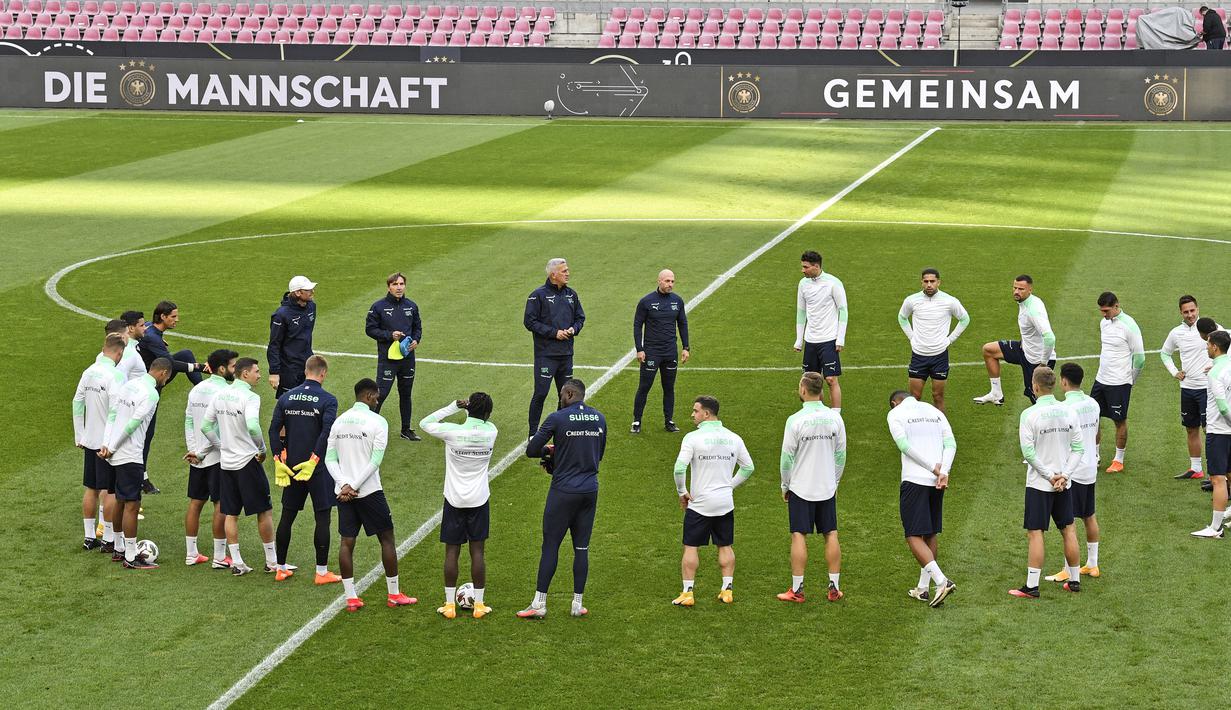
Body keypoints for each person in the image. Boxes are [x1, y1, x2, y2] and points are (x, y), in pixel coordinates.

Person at [327, 378, 416, 611]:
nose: (378, 401)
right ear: (368, 396)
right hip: (369, 491)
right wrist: (354, 485)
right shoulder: (378, 422)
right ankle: (394, 594)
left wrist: (343, 484)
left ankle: (351, 598)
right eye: (377, 397)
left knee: (347, 542)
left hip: (343, 493)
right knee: (387, 539)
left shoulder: (339, 421)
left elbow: (330, 459)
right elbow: (375, 461)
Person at [520, 379, 606, 619]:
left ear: (569, 393)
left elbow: (531, 450)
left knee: (550, 545)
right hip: (590, 490)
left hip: (563, 491)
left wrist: (550, 452)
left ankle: (539, 603)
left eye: (561, 394)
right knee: (582, 547)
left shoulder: (557, 418)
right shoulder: (599, 418)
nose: (559, 398)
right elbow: (598, 454)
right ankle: (577, 604)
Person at [419, 393, 498, 620]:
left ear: (468, 408)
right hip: (479, 499)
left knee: (452, 551)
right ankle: (479, 606)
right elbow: (483, 420)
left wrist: (453, 406)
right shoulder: (491, 432)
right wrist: (471, 411)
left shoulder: (453, 432)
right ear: (487, 414)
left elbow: (425, 423)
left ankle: (449, 605)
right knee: (477, 552)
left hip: (453, 499)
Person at [670, 396, 753, 607]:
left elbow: (680, 469)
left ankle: (688, 593)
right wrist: (729, 486)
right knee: (725, 545)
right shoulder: (734, 437)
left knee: (691, 547)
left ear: (706, 414)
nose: (692, 414)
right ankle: (727, 589)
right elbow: (748, 467)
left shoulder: (692, 438)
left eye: (695, 410)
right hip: (725, 503)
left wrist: (682, 491)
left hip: (700, 504)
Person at [1011, 366, 1084, 598]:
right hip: (1064, 483)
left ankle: (1032, 586)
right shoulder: (1069, 411)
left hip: (1040, 484)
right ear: (1053, 385)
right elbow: (1078, 448)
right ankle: (1074, 580)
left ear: (1035, 386)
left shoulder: (1029, 415)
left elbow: (1029, 453)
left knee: (1036, 533)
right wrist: (1065, 475)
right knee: (1069, 529)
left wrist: (1049, 476)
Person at [201, 357, 276, 576]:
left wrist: (221, 446)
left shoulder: (219, 395)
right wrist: (262, 450)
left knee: (230, 513)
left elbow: (206, 426)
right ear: (245, 374)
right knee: (264, 510)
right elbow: (253, 426)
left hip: (226, 464)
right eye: (257, 371)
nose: (260, 375)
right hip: (247, 462)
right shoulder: (251, 397)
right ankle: (271, 561)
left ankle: (236, 562)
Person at [777, 372, 847, 604]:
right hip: (826, 486)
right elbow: (841, 454)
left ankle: (797, 590)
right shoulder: (835, 418)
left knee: (798, 535)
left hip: (801, 487)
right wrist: (834, 481)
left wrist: (785, 484)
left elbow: (787, 458)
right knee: (831, 534)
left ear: (804, 390)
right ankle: (834, 587)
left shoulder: (795, 420)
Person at [269, 355, 340, 583]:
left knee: (287, 517)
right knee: (323, 518)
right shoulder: (328, 399)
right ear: (323, 374)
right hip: (316, 468)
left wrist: (278, 459)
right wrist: (314, 459)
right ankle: (321, 572)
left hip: (291, 467)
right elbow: (326, 432)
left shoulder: (287, 397)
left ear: (306, 370)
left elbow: (273, 430)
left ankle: (280, 567)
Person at [99, 357, 172, 569]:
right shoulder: (151, 394)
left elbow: (112, 415)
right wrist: (112, 447)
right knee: (132, 505)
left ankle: (119, 548)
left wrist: (107, 444)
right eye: (167, 377)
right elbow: (132, 425)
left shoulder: (129, 385)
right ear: (162, 374)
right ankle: (131, 557)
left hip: (113, 454)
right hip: (129, 455)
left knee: (119, 502)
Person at [887, 390, 957, 608]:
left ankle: (941, 581)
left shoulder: (896, 414)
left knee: (913, 535)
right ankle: (923, 588)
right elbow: (951, 444)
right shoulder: (934, 411)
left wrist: (932, 468)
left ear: (894, 403)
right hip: (937, 482)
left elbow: (904, 446)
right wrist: (943, 471)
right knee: (930, 532)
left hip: (914, 480)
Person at [138, 301, 208, 492]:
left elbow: (147, 331)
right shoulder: (152, 337)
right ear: (163, 317)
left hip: (155, 378)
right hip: (151, 387)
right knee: (147, 434)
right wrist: (199, 366)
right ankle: (142, 478)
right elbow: (169, 363)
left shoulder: (152, 331)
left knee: (185, 354)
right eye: (173, 316)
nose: (177, 319)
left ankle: (204, 391)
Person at [1046, 364, 1102, 583]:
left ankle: (1069, 570)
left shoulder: (1065, 408)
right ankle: (1093, 564)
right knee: (1089, 515)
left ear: (1064, 381)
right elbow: (1097, 434)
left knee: (1068, 523)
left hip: (1074, 470)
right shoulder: (1093, 403)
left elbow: (1062, 440)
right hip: (1090, 468)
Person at [182, 349, 238, 568]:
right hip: (216, 456)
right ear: (222, 368)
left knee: (196, 502)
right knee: (221, 504)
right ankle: (219, 556)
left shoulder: (197, 389)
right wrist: (203, 451)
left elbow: (189, 420)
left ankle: (191, 553)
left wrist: (193, 449)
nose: (236, 370)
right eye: (233, 366)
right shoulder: (225, 392)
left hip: (197, 456)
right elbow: (214, 427)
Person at [73, 332, 126, 551]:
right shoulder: (115, 376)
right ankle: (109, 538)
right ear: (119, 353)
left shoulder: (89, 372)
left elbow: (77, 402)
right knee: (111, 490)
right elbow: (116, 411)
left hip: (90, 439)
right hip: (107, 444)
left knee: (91, 488)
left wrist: (80, 434)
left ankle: (89, 537)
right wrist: (109, 442)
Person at [1161, 297, 1223, 479]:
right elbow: (1165, 353)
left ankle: (1218, 475)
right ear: (1181, 312)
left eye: (1192, 310)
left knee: (1210, 431)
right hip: (1187, 389)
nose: (1190, 315)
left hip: (1207, 389)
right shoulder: (1176, 333)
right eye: (1186, 312)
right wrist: (1174, 372)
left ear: (1198, 309)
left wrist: (1217, 365)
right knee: (1191, 428)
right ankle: (1196, 468)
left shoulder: (1213, 328)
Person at [525, 258, 586, 438]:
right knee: (541, 393)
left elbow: (580, 318)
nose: (568, 273)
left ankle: (561, 431)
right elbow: (529, 321)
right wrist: (554, 333)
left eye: (567, 270)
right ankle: (532, 433)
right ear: (553, 275)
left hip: (566, 354)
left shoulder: (571, 295)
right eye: (564, 271)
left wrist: (573, 329)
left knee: (567, 396)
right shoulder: (537, 295)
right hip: (546, 355)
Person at [975, 275, 1056, 405]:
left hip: (1036, 360)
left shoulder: (1033, 310)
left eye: (1021, 289)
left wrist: (1043, 365)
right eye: (1015, 288)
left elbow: (1050, 338)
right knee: (989, 350)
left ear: (1030, 289)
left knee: (1038, 401)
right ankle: (996, 394)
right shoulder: (1026, 302)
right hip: (1024, 349)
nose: (1017, 291)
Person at [897, 268, 970, 412]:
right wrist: (912, 337)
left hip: (939, 356)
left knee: (938, 396)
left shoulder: (950, 301)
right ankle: (914, 429)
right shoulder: (911, 300)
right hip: (919, 355)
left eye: (932, 281)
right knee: (914, 397)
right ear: (921, 282)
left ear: (938, 282)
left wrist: (950, 340)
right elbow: (902, 317)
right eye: (926, 281)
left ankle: (941, 432)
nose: (929, 284)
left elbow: (965, 319)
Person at [365, 272, 423, 441]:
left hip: (407, 358)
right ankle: (369, 429)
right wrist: (390, 335)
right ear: (388, 287)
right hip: (388, 360)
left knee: (406, 393)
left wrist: (416, 341)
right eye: (395, 284)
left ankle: (406, 429)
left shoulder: (411, 306)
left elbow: (418, 327)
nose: (399, 287)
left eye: (401, 284)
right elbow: (370, 330)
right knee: (380, 394)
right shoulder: (378, 307)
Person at [1091, 292, 1144, 474]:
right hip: (1101, 379)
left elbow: (1140, 358)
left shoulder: (1129, 325)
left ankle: (1118, 459)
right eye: (1101, 311)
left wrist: (1130, 380)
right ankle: (1094, 456)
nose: (1104, 314)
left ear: (1116, 306)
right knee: (1093, 418)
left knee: (1119, 420)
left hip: (1120, 382)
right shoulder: (1103, 323)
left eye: (1106, 311)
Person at [632, 269, 690, 434]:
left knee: (669, 388)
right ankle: (636, 421)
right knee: (644, 387)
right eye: (667, 281)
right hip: (652, 352)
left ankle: (669, 421)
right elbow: (637, 325)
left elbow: (683, 324)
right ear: (659, 281)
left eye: (672, 281)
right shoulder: (646, 302)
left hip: (670, 352)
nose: (670, 284)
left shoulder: (677, 301)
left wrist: (686, 347)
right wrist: (640, 349)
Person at [793, 251, 847, 413]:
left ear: (816, 266)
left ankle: (836, 415)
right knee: (810, 381)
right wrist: (799, 339)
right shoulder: (803, 284)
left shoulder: (833, 283)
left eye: (806, 267)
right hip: (811, 340)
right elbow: (801, 312)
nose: (803, 270)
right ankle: (818, 413)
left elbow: (843, 310)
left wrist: (840, 338)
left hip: (829, 339)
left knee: (830, 379)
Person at [1192, 330, 1231, 538]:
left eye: (1208, 344)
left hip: (1220, 431)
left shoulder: (1216, 374)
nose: (1206, 347)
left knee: (1218, 478)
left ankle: (1216, 528)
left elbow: (1223, 408)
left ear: (1215, 347)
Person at [267, 275, 318, 397]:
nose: (312, 292)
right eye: (308, 290)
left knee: (308, 401)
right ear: (298, 293)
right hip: (289, 369)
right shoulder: (281, 315)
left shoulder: (311, 306)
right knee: (288, 404)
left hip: (307, 365)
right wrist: (274, 372)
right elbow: (274, 345)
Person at [116, 311, 148, 382]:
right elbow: (119, 378)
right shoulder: (128, 351)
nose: (145, 328)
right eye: (142, 325)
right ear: (131, 328)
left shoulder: (127, 346)